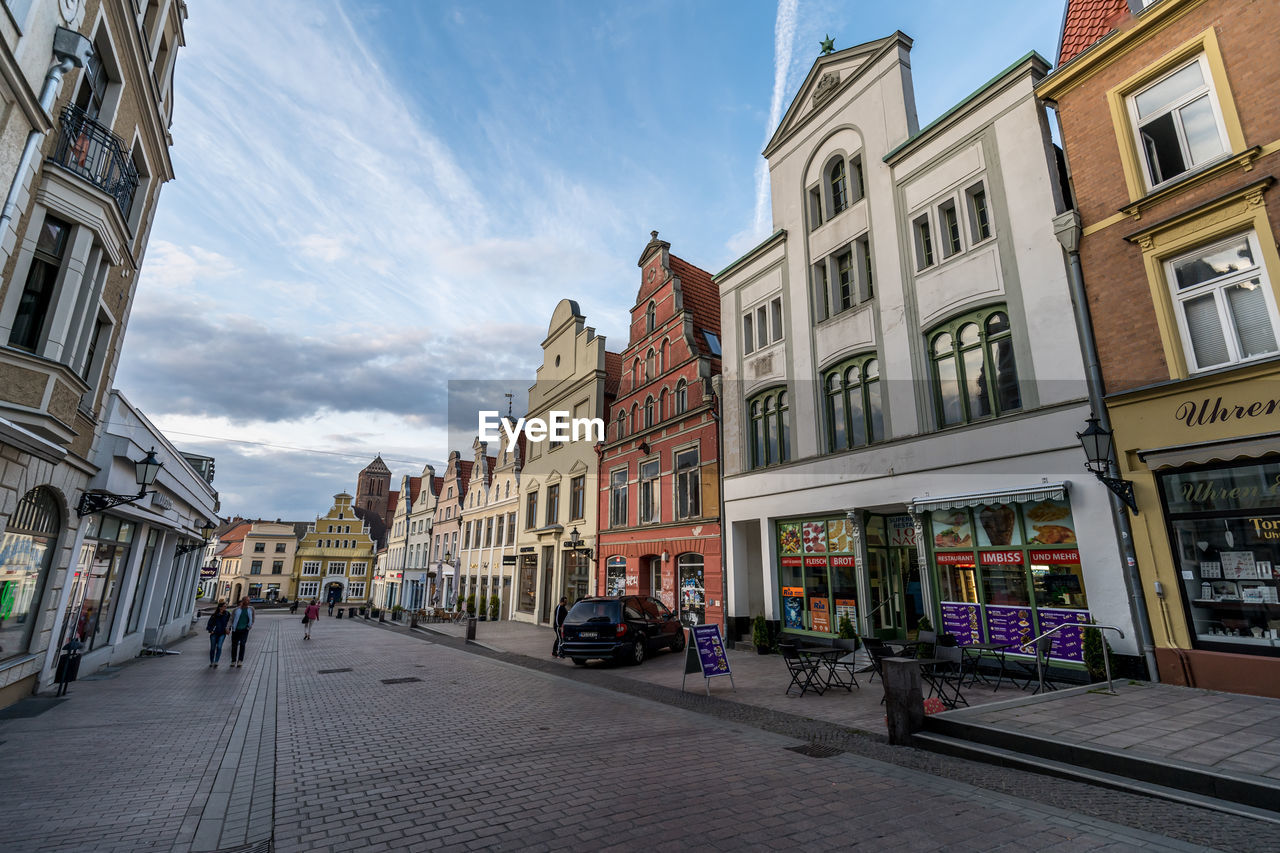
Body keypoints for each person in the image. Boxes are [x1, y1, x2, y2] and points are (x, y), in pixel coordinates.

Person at [228, 596, 254, 668]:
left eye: (249, 601)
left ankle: (240, 661)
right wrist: (228, 627)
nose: (248, 602)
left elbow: (253, 618)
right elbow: (231, 619)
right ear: (243, 601)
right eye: (247, 600)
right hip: (236, 629)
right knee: (234, 645)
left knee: (242, 644)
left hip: (245, 630)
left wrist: (250, 625)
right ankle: (233, 660)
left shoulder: (251, 609)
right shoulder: (236, 610)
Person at [206, 601, 231, 667]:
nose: (226, 607)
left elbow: (229, 623)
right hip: (214, 633)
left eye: (226, 606)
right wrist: (210, 630)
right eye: (224, 606)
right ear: (220, 607)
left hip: (222, 633)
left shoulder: (227, 614)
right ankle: (212, 661)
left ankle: (216, 661)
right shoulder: (214, 615)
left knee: (219, 647)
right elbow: (209, 624)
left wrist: (228, 629)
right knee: (212, 648)